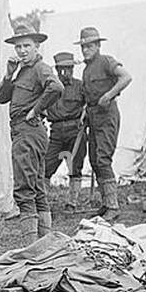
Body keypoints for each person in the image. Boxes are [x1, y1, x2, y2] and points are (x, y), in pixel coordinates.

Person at [0, 29, 64, 243]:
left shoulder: (40, 68)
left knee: (25, 189)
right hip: (24, 132)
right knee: (36, 186)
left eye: (27, 46)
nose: (22, 51)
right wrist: (8, 74)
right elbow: (0, 97)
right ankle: (44, 245)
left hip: (28, 131)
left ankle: (32, 248)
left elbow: (56, 87)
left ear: (37, 47)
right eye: (18, 46)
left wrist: (35, 110)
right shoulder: (21, 71)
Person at [77, 26, 132, 221]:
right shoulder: (86, 70)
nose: (85, 50)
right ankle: (105, 203)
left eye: (90, 46)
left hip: (107, 116)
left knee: (103, 159)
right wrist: (85, 111)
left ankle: (113, 206)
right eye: (83, 46)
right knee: (94, 160)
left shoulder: (106, 61)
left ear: (98, 45)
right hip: (93, 117)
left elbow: (126, 77)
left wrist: (109, 94)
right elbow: (88, 96)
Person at [42, 51, 87, 210]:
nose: (64, 73)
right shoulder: (51, 87)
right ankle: (42, 204)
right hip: (56, 133)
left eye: (68, 69)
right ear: (57, 70)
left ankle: (72, 203)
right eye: (61, 70)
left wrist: (85, 117)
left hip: (75, 132)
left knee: (75, 167)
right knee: (46, 166)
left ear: (72, 69)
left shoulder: (80, 86)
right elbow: (40, 105)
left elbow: (90, 103)